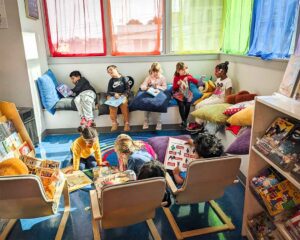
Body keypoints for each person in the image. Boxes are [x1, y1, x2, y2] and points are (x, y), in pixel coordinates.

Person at [140, 62, 167, 130]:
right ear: (151, 71)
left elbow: (165, 87)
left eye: (157, 71)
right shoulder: (149, 77)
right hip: (150, 93)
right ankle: (146, 121)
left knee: (158, 104)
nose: (155, 73)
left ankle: (159, 122)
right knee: (146, 103)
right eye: (154, 71)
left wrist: (157, 86)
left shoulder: (162, 78)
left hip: (158, 94)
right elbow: (142, 86)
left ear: (160, 71)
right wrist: (147, 87)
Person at [172, 62, 198, 128]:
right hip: (178, 93)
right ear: (178, 71)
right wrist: (178, 83)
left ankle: (184, 121)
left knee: (187, 104)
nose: (184, 71)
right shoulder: (176, 77)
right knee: (181, 104)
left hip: (186, 92)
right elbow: (174, 88)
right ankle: (184, 121)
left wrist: (188, 78)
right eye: (182, 70)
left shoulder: (188, 76)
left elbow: (196, 82)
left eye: (185, 69)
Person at [106, 65, 131, 132]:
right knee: (112, 106)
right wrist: (114, 94)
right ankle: (114, 123)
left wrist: (123, 95)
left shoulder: (124, 78)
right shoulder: (111, 81)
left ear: (116, 69)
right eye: (108, 72)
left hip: (122, 95)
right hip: (114, 95)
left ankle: (126, 123)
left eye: (111, 70)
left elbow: (128, 89)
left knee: (124, 104)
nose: (110, 72)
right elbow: (109, 91)